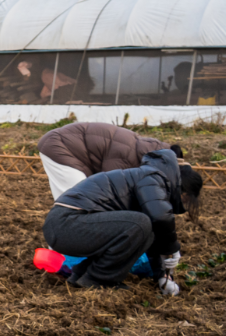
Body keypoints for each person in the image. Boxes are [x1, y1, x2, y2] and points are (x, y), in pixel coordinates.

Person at [42, 149, 203, 293]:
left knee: (144, 230)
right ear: (181, 187)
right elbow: (160, 217)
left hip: (68, 225)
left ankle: (83, 273)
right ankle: (99, 279)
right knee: (141, 223)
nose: (183, 201)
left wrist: (162, 276)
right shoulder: (152, 178)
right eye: (186, 197)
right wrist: (172, 248)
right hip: (66, 224)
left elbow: (149, 234)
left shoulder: (149, 178)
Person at [38, 122, 183, 200]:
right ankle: (63, 252)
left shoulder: (143, 149)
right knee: (76, 200)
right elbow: (110, 186)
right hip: (59, 146)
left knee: (80, 201)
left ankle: (70, 248)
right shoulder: (127, 155)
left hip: (69, 146)